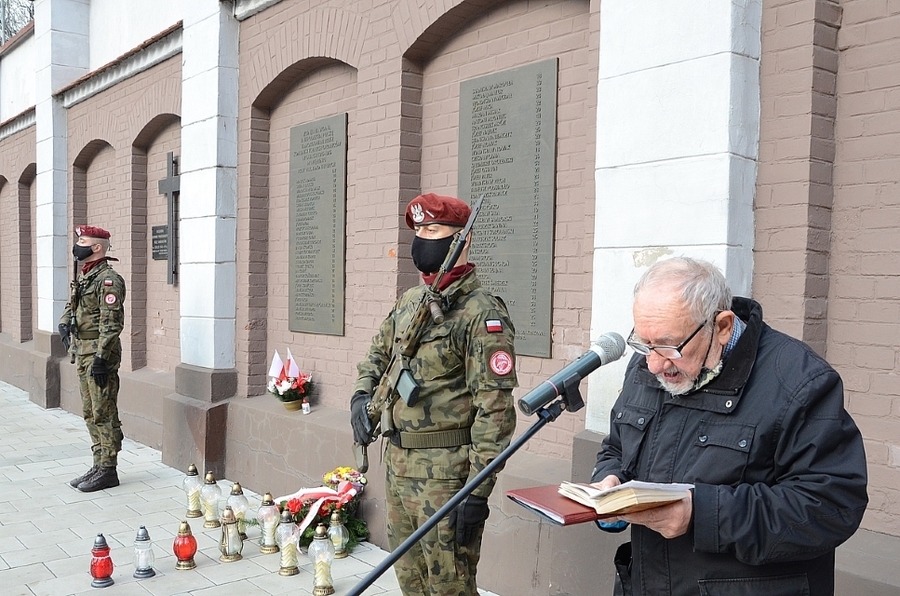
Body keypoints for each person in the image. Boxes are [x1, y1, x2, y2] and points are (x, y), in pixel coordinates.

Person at [591, 256, 868, 595]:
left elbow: (832, 506)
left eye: (669, 346)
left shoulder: (799, 380)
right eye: (644, 344)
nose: (654, 365)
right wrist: (610, 482)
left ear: (722, 326)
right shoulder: (650, 361)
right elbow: (617, 447)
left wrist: (702, 514)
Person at [351, 193, 518, 596]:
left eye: (435, 230)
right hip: (398, 465)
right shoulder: (411, 301)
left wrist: (476, 491)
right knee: (411, 583)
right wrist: (360, 395)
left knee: (450, 587)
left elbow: (495, 411)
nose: (424, 239)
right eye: (421, 231)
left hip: (446, 477)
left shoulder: (481, 314)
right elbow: (377, 354)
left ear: (463, 239)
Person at [59, 225, 126, 493]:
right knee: (89, 411)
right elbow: (73, 304)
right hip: (83, 351)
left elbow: (112, 323)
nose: (78, 246)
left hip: (99, 353)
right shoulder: (86, 275)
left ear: (97, 247)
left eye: (83, 242)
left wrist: (101, 358)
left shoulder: (108, 280)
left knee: (103, 411)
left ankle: (108, 469)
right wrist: (65, 323)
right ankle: (98, 463)